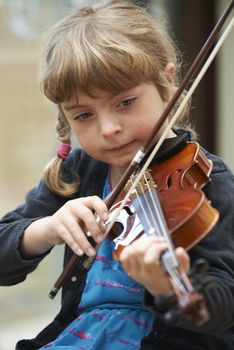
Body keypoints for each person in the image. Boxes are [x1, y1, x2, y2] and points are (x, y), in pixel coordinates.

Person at [0, 0, 233, 349]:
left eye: (125, 102)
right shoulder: (77, 172)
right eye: (83, 115)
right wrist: (45, 229)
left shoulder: (208, 179)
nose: (109, 129)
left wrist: (169, 287)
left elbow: (224, 303)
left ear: (167, 84)